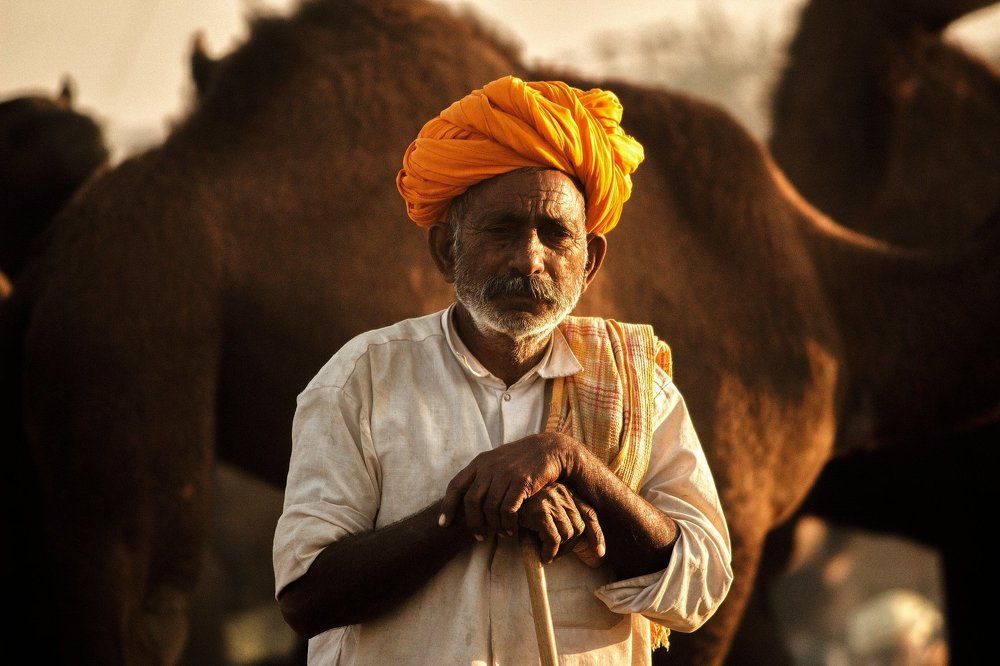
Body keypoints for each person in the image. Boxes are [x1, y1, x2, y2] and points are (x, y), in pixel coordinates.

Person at [272, 75, 733, 664]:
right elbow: (307, 597)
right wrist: (468, 516)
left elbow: (702, 584)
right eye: (502, 229)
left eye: (555, 234)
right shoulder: (362, 380)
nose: (529, 258)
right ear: (446, 249)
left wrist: (574, 465)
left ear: (588, 261)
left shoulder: (636, 386)